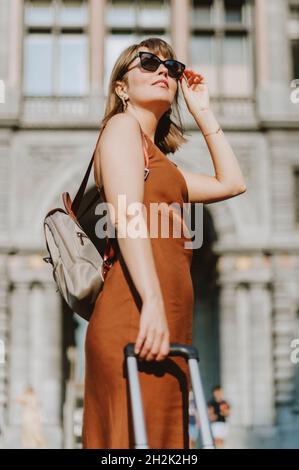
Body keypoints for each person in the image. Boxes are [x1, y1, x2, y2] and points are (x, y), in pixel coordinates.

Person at [82, 36, 246, 449]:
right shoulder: (121, 128)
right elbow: (127, 216)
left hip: (167, 321)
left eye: (171, 68)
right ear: (121, 87)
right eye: (149, 63)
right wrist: (152, 303)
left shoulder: (163, 166)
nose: (163, 72)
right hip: (136, 313)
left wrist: (203, 112)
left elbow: (232, 182)